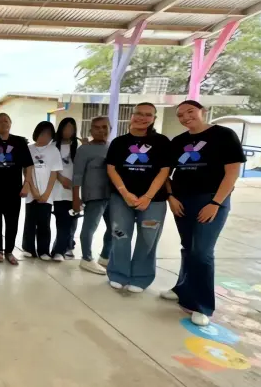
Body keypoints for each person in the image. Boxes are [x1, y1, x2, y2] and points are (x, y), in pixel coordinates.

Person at [163, 100, 244, 326]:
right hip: (182, 201)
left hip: (211, 200)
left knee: (202, 252)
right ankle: (183, 290)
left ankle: (202, 305)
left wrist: (216, 203)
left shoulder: (224, 135)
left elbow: (232, 173)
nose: (186, 117)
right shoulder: (179, 142)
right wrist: (171, 197)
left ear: (202, 111)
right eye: (180, 115)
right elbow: (165, 173)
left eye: (190, 112)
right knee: (188, 248)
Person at [105, 103, 171, 293]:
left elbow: (164, 171)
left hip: (153, 201)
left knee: (148, 238)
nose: (142, 118)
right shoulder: (119, 142)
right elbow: (112, 168)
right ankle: (118, 273)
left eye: (147, 115)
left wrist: (148, 196)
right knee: (120, 235)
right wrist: (125, 193)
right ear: (131, 116)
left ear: (154, 119)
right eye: (139, 113)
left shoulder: (162, 142)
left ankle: (141, 278)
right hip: (121, 199)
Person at [0, 113, 33, 265]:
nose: (3, 123)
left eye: (6, 121)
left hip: (14, 189)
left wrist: (27, 183)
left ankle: (10, 251)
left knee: (12, 221)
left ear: (10, 124)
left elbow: (28, 164)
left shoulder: (19, 142)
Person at [72, 116, 113, 275]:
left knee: (114, 228)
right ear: (91, 130)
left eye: (104, 127)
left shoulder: (113, 147)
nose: (101, 130)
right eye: (97, 127)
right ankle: (86, 258)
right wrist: (76, 197)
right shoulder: (84, 149)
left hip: (113, 195)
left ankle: (105, 256)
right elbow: (77, 175)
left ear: (110, 128)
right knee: (90, 227)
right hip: (94, 195)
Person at [22, 121, 62, 260]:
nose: (45, 137)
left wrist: (46, 193)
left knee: (44, 222)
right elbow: (26, 170)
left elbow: (54, 173)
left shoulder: (53, 150)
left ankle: (44, 250)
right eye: (43, 133)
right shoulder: (28, 149)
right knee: (30, 220)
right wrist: (33, 190)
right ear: (36, 133)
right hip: (32, 191)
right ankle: (28, 248)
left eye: (48, 135)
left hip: (47, 193)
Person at [51, 117, 80, 261]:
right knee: (60, 221)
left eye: (71, 128)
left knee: (69, 222)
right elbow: (49, 165)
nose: (68, 131)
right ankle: (60, 248)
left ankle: (61, 250)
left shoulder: (79, 145)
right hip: (55, 190)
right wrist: (61, 179)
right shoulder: (53, 145)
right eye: (65, 127)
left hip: (72, 191)